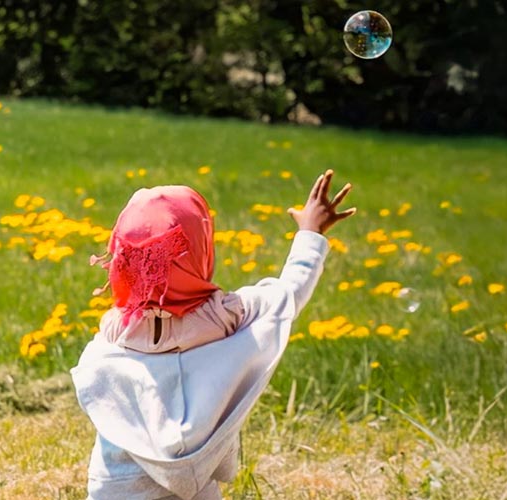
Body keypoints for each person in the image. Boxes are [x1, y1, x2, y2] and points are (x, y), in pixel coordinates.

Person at [72, 170, 355, 499]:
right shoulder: (229, 319)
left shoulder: (113, 335)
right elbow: (289, 292)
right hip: (200, 487)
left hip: (116, 490)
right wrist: (310, 234)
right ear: (201, 251)